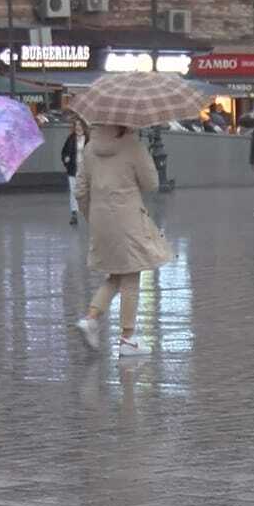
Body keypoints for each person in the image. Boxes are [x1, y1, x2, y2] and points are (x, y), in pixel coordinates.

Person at [74, 125, 173, 357]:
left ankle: (90, 318)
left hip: (100, 220)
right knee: (131, 274)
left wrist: (92, 216)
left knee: (116, 275)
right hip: (128, 218)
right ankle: (127, 338)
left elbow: (80, 190)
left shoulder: (89, 148)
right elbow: (152, 184)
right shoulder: (132, 146)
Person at [61, 118, 85, 226]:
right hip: (73, 169)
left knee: (87, 192)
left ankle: (89, 212)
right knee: (73, 192)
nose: (78, 127)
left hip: (86, 170)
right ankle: (74, 214)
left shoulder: (88, 139)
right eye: (76, 125)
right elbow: (64, 152)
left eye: (80, 125)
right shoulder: (71, 138)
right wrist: (66, 158)